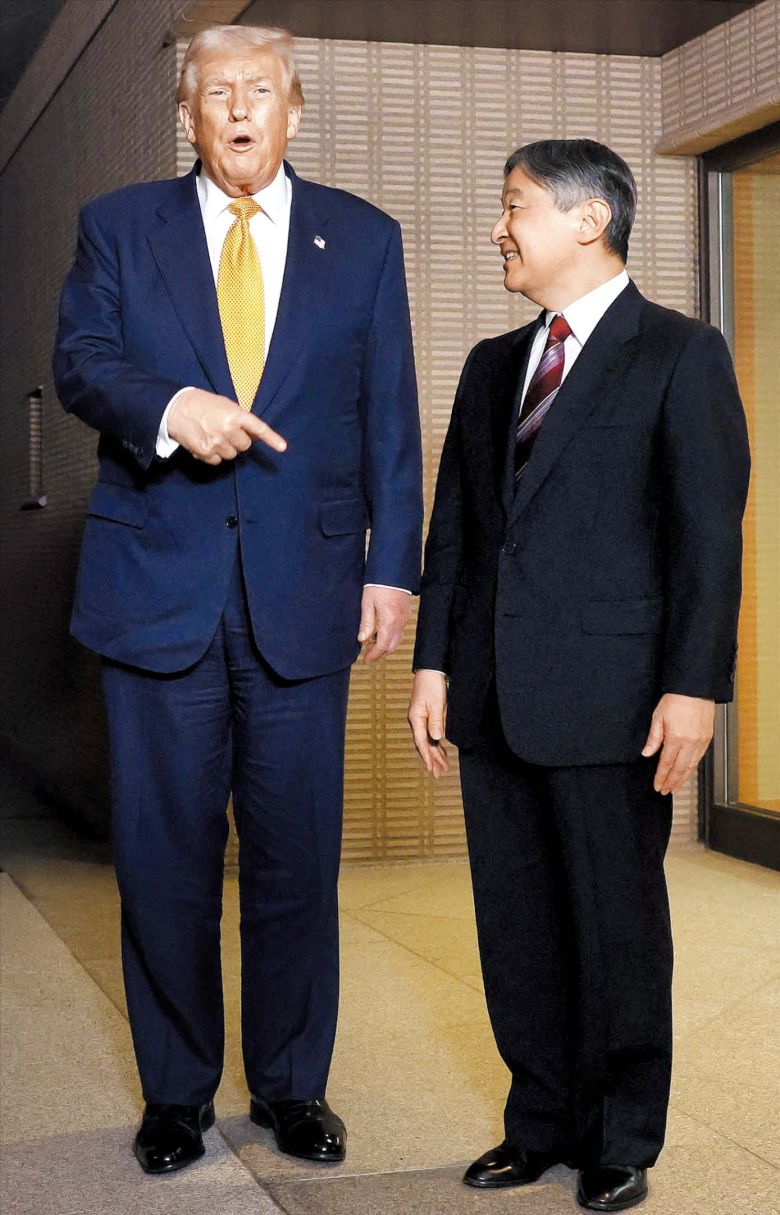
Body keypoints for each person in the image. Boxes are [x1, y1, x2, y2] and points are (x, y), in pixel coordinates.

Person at [53, 24, 422, 1175]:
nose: (241, 109)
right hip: (155, 592)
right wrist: (170, 407)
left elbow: (390, 416)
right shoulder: (120, 225)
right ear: (189, 114)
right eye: (218, 93)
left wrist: (392, 568)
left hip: (305, 594)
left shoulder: (364, 238)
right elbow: (81, 360)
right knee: (163, 859)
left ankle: (292, 1088)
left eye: (261, 90)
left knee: (295, 859)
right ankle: (176, 1097)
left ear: (294, 109)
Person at [409, 139, 749, 1212]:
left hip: (616, 697)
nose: (498, 229)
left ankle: (621, 1136)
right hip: (492, 691)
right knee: (515, 926)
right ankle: (539, 1123)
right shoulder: (490, 364)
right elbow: (455, 532)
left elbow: (708, 539)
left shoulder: (680, 353)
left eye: (514, 207)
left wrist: (694, 687)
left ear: (589, 219)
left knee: (614, 926)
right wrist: (433, 663)